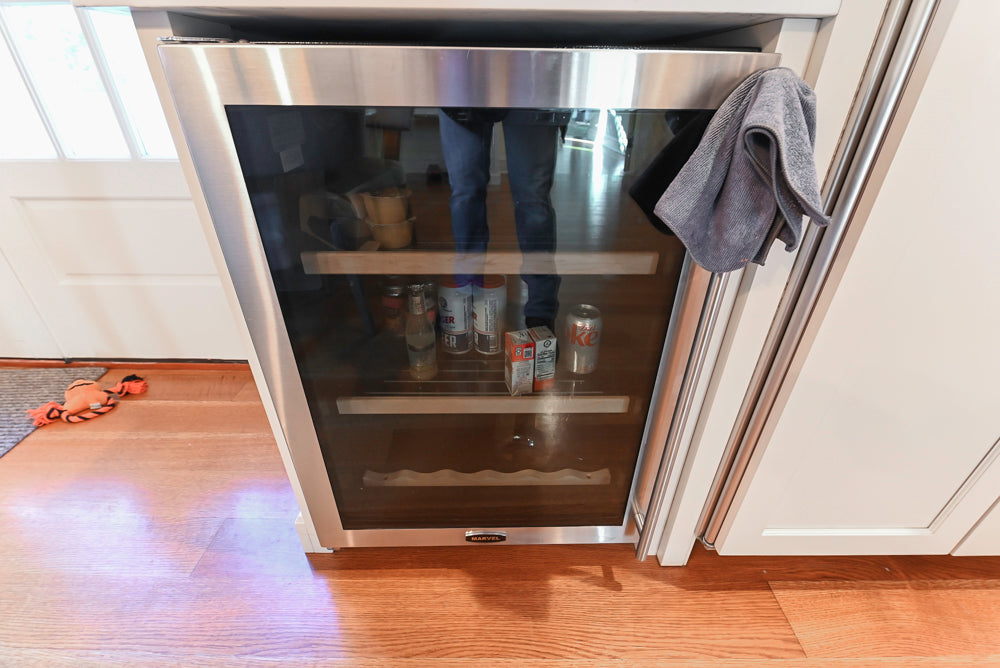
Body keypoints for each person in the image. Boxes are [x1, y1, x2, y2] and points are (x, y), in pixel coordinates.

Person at [438, 108, 562, 330]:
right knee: (465, 194)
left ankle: (541, 310)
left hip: (531, 82)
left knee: (532, 197)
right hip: (463, 82)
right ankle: (467, 291)